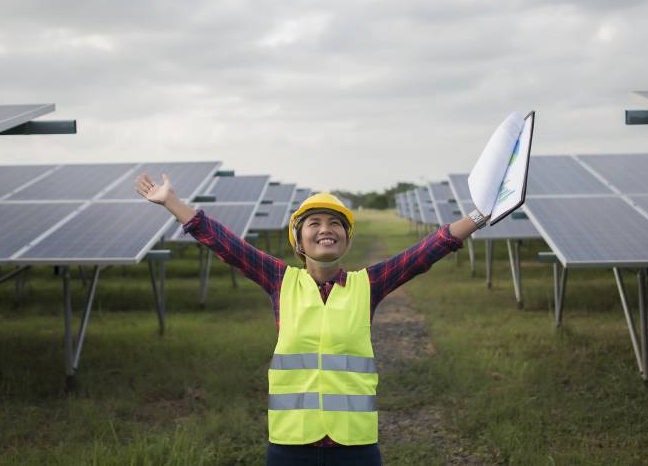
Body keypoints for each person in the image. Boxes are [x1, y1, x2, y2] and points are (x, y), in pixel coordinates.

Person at [135, 173, 487, 466]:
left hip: (356, 446)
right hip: (290, 445)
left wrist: (479, 216)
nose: (325, 229)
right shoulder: (280, 280)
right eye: (314, 223)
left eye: (335, 223)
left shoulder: (368, 284)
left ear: (346, 239)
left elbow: (428, 250)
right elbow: (226, 244)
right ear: (299, 240)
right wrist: (172, 202)